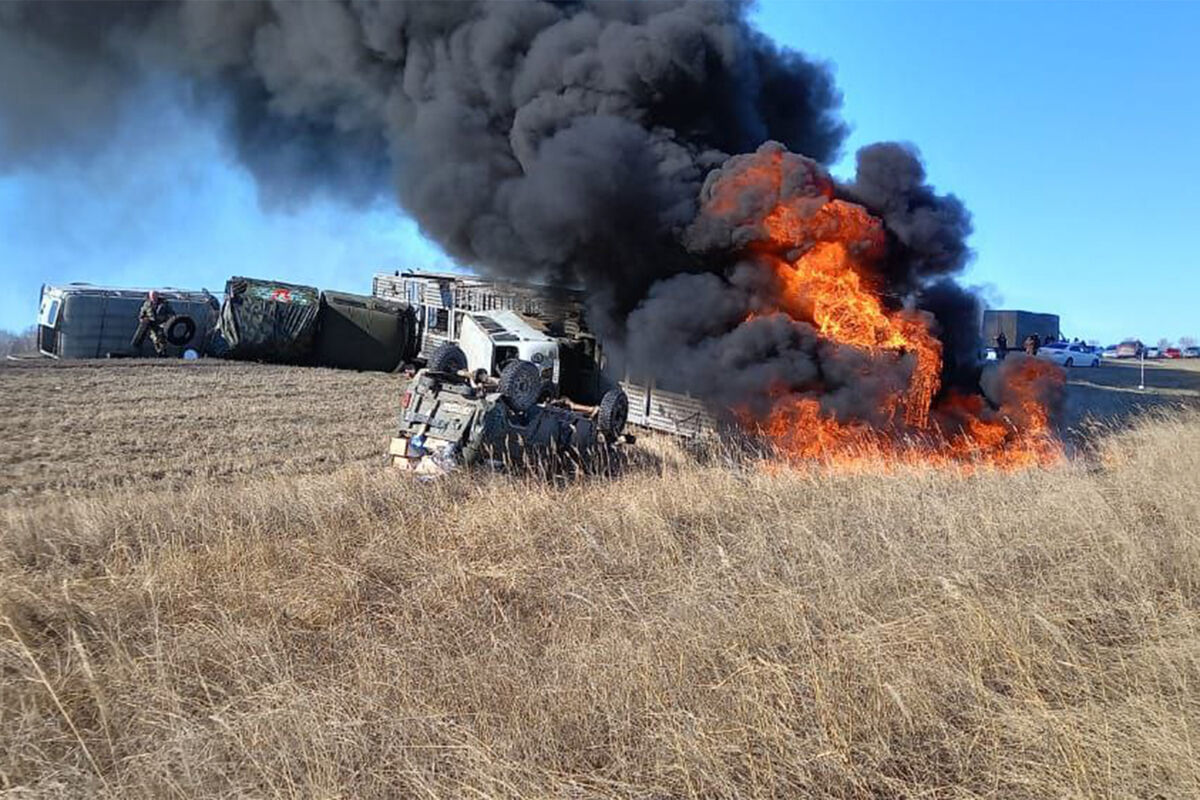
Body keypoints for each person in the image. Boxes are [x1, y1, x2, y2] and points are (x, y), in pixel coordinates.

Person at [131, 290, 172, 356]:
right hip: (150, 324)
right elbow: (142, 314)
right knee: (155, 338)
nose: (153, 297)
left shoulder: (164, 304)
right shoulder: (146, 304)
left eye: (155, 295)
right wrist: (143, 320)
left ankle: (162, 353)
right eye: (152, 296)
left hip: (162, 323)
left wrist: (166, 320)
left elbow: (171, 313)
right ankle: (158, 352)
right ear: (150, 296)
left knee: (161, 338)